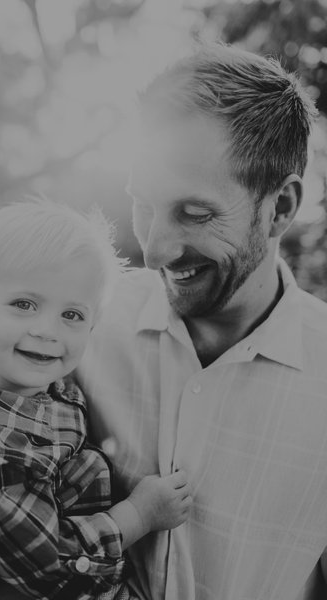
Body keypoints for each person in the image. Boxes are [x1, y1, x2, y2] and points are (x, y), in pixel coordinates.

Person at [76, 41, 327, 600]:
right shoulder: (80, 325)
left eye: (195, 214)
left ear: (280, 208)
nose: (156, 251)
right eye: (144, 205)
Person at [0, 200, 192, 600]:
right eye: (23, 304)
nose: (47, 331)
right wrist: (138, 515)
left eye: (71, 315)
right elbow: (48, 569)